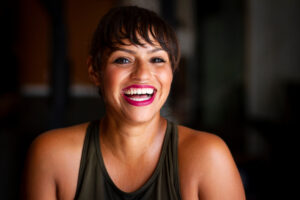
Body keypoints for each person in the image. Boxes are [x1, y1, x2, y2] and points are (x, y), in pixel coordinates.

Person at [22, 6, 245, 200]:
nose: (142, 74)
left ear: (171, 72)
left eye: (157, 59)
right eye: (123, 59)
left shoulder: (208, 156)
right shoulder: (51, 156)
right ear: (94, 71)